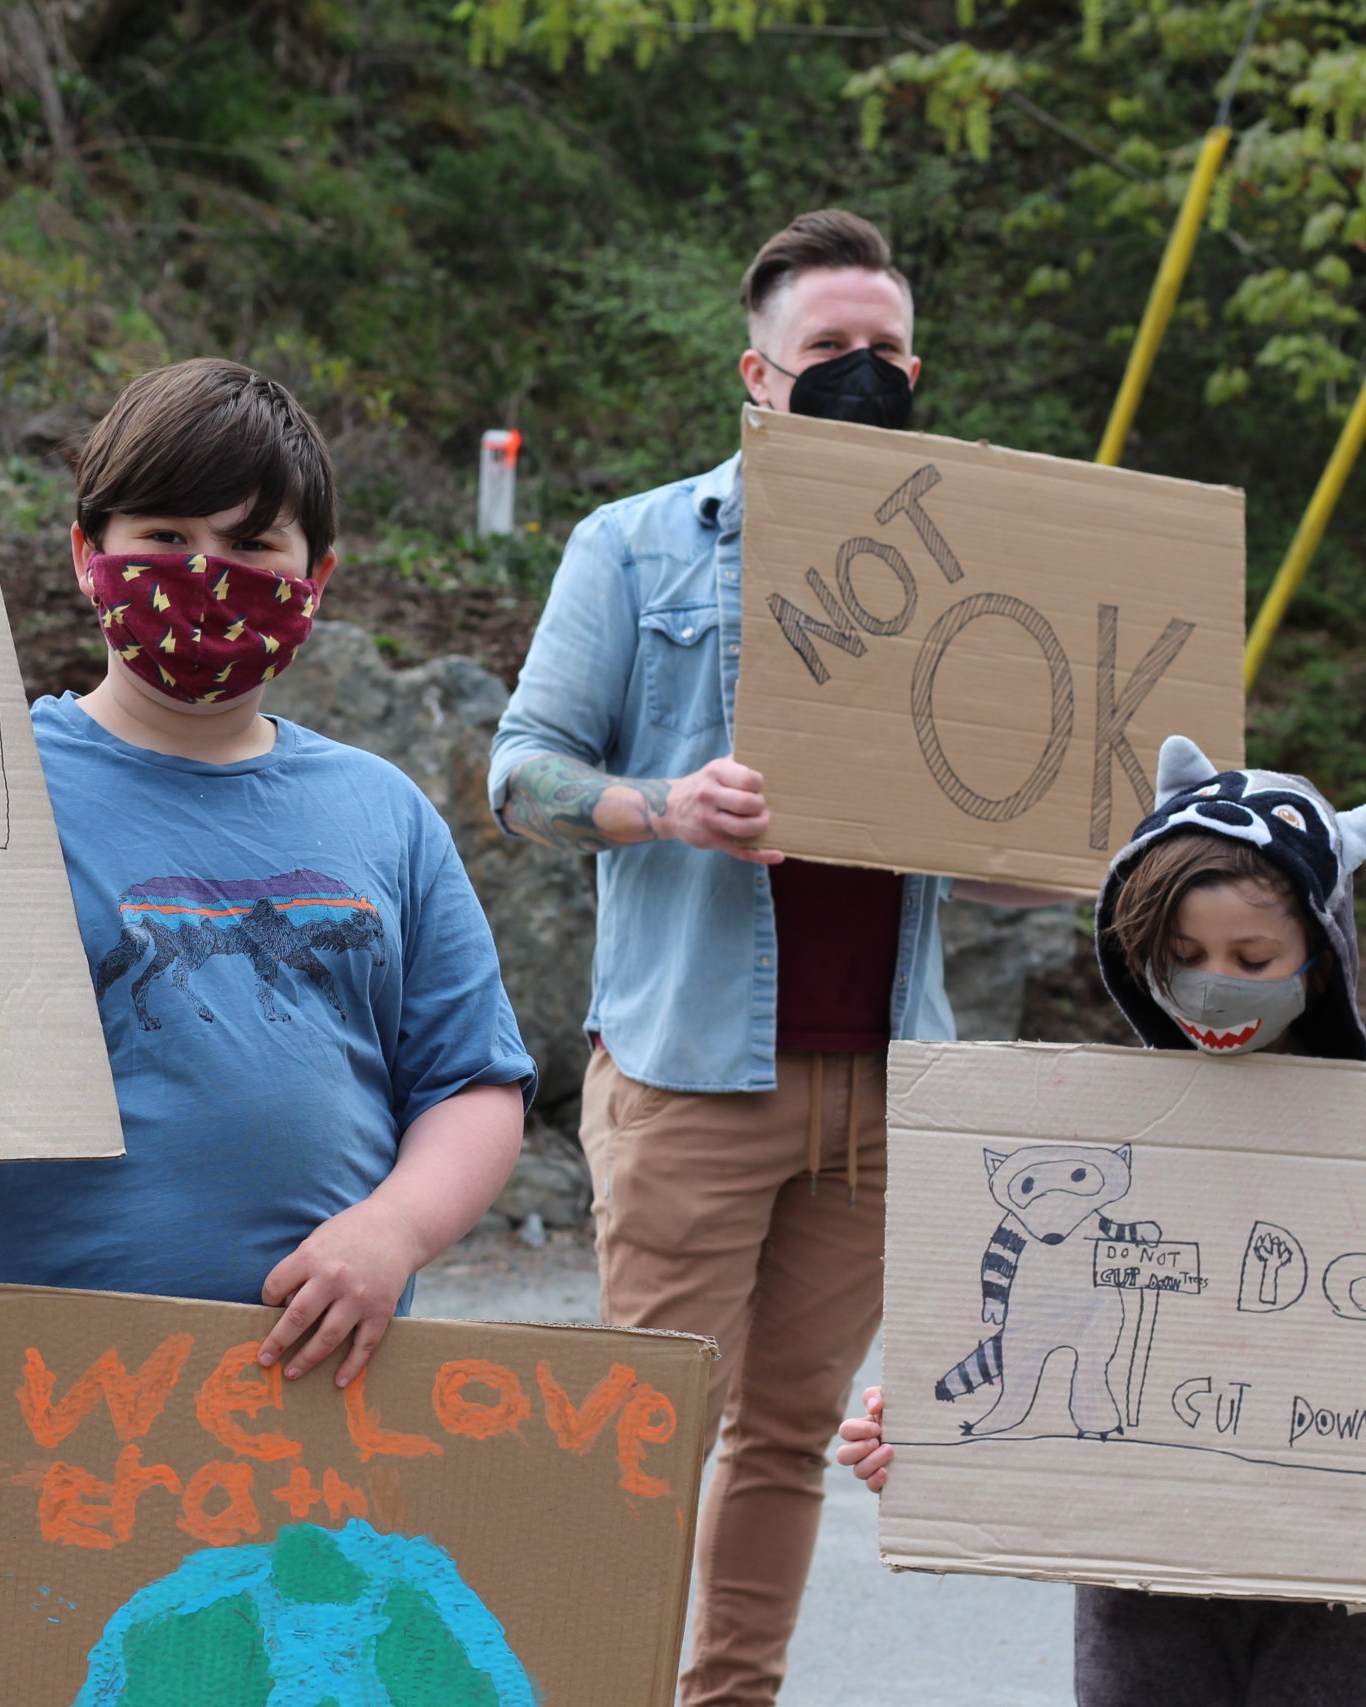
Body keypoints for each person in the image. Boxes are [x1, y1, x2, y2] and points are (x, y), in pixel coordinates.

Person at [488, 208, 1060, 1705]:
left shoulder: (980, 568)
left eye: (885, 349)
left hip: (883, 1076)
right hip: (689, 1069)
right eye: (829, 350)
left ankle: (729, 1695)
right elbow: (521, 775)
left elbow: (1010, 847)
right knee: (647, 1429)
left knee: (790, 1434)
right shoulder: (633, 543)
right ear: (759, 373)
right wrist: (666, 803)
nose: (862, 371)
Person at [0, 357, 536, 1389]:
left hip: (325, 1385)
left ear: (315, 578)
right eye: (166, 537)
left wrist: (395, 1232)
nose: (206, 573)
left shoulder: (385, 813)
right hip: (37, 1390)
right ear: (85, 553)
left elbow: (468, 1082)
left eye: (250, 545)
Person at [835, 735, 1366, 1707]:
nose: (1214, 979)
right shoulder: (1086, 1126)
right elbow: (1002, 1303)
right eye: (1183, 958)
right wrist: (921, 1425)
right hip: (1141, 1575)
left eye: (1251, 957)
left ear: (1319, 955)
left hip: (1328, 1572)